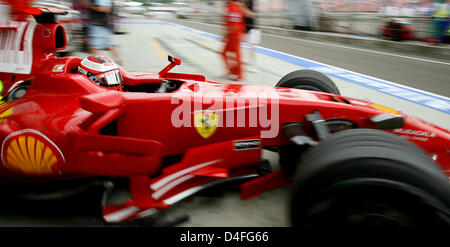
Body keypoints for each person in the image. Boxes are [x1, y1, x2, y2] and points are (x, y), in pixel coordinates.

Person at [78, 0, 122, 65]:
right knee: (108, 45)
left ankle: (103, 67)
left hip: (99, 25)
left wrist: (87, 4)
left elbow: (103, 8)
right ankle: (119, 64)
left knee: (95, 48)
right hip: (102, 24)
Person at [221, 0, 253, 81]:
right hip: (234, 34)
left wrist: (226, 35)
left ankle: (239, 74)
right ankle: (232, 71)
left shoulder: (233, 7)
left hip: (234, 35)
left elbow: (233, 22)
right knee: (225, 53)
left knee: (236, 54)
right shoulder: (233, 6)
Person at [243, 0, 260, 73]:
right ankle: (250, 64)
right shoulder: (245, 5)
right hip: (248, 30)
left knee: (252, 49)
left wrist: (242, 7)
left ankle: (254, 66)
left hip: (252, 30)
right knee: (249, 48)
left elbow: (251, 14)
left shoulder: (248, 5)